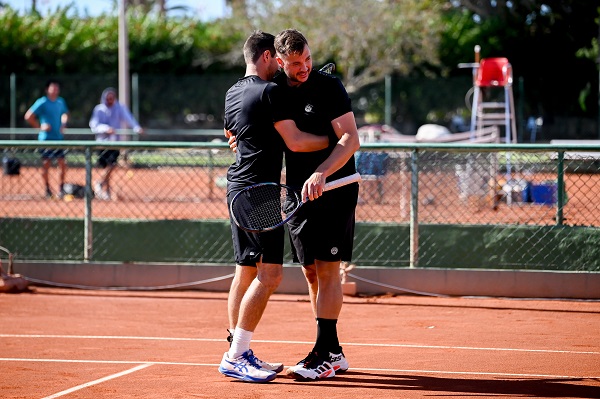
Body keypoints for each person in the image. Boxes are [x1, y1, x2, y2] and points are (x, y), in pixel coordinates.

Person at [219, 30, 330, 383]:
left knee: (245, 271)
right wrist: (336, 140)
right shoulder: (270, 92)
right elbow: (296, 143)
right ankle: (236, 355)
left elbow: (230, 135)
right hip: (259, 192)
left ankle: (236, 347)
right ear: (268, 56)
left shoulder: (233, 91)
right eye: (281, 61)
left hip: (238, 187)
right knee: (271, 274)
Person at [271, 28, 361, 381]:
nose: (305, 66)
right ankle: (331, 349)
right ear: (280, 62)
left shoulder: (329, 86)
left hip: (335, 186)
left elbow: (351, 138)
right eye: (296, 63)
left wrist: (322, 171)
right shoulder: (275, 90)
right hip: (297, 194)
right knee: (309, 270)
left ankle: (326, 351)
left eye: (308, 58)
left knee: (327, 268)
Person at [89, 87, 144, 200]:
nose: (110, 100)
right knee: (105, 166)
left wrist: (137, 128)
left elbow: (128, 118)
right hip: (102, 143)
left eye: (112, 98)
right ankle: (106, 190)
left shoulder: (119, 107)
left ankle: (101, 183)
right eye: (108, 98)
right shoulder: (99, 109)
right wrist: (106, 129)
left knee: (112, 164)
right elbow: (94, 125)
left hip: (115, 142)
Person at [24, 79, 70, 199]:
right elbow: (29, 116)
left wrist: (64, 123)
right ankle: (47, 189)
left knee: (63, 164)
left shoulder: (60, 102)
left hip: (58, 139)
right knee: (46, 164)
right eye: (53, 88)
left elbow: (65, 113)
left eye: (57, 88)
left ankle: (61, 188)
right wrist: (40, 127)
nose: (55, 90)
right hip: (46, 139)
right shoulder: (42, 102)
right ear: (47, 89)